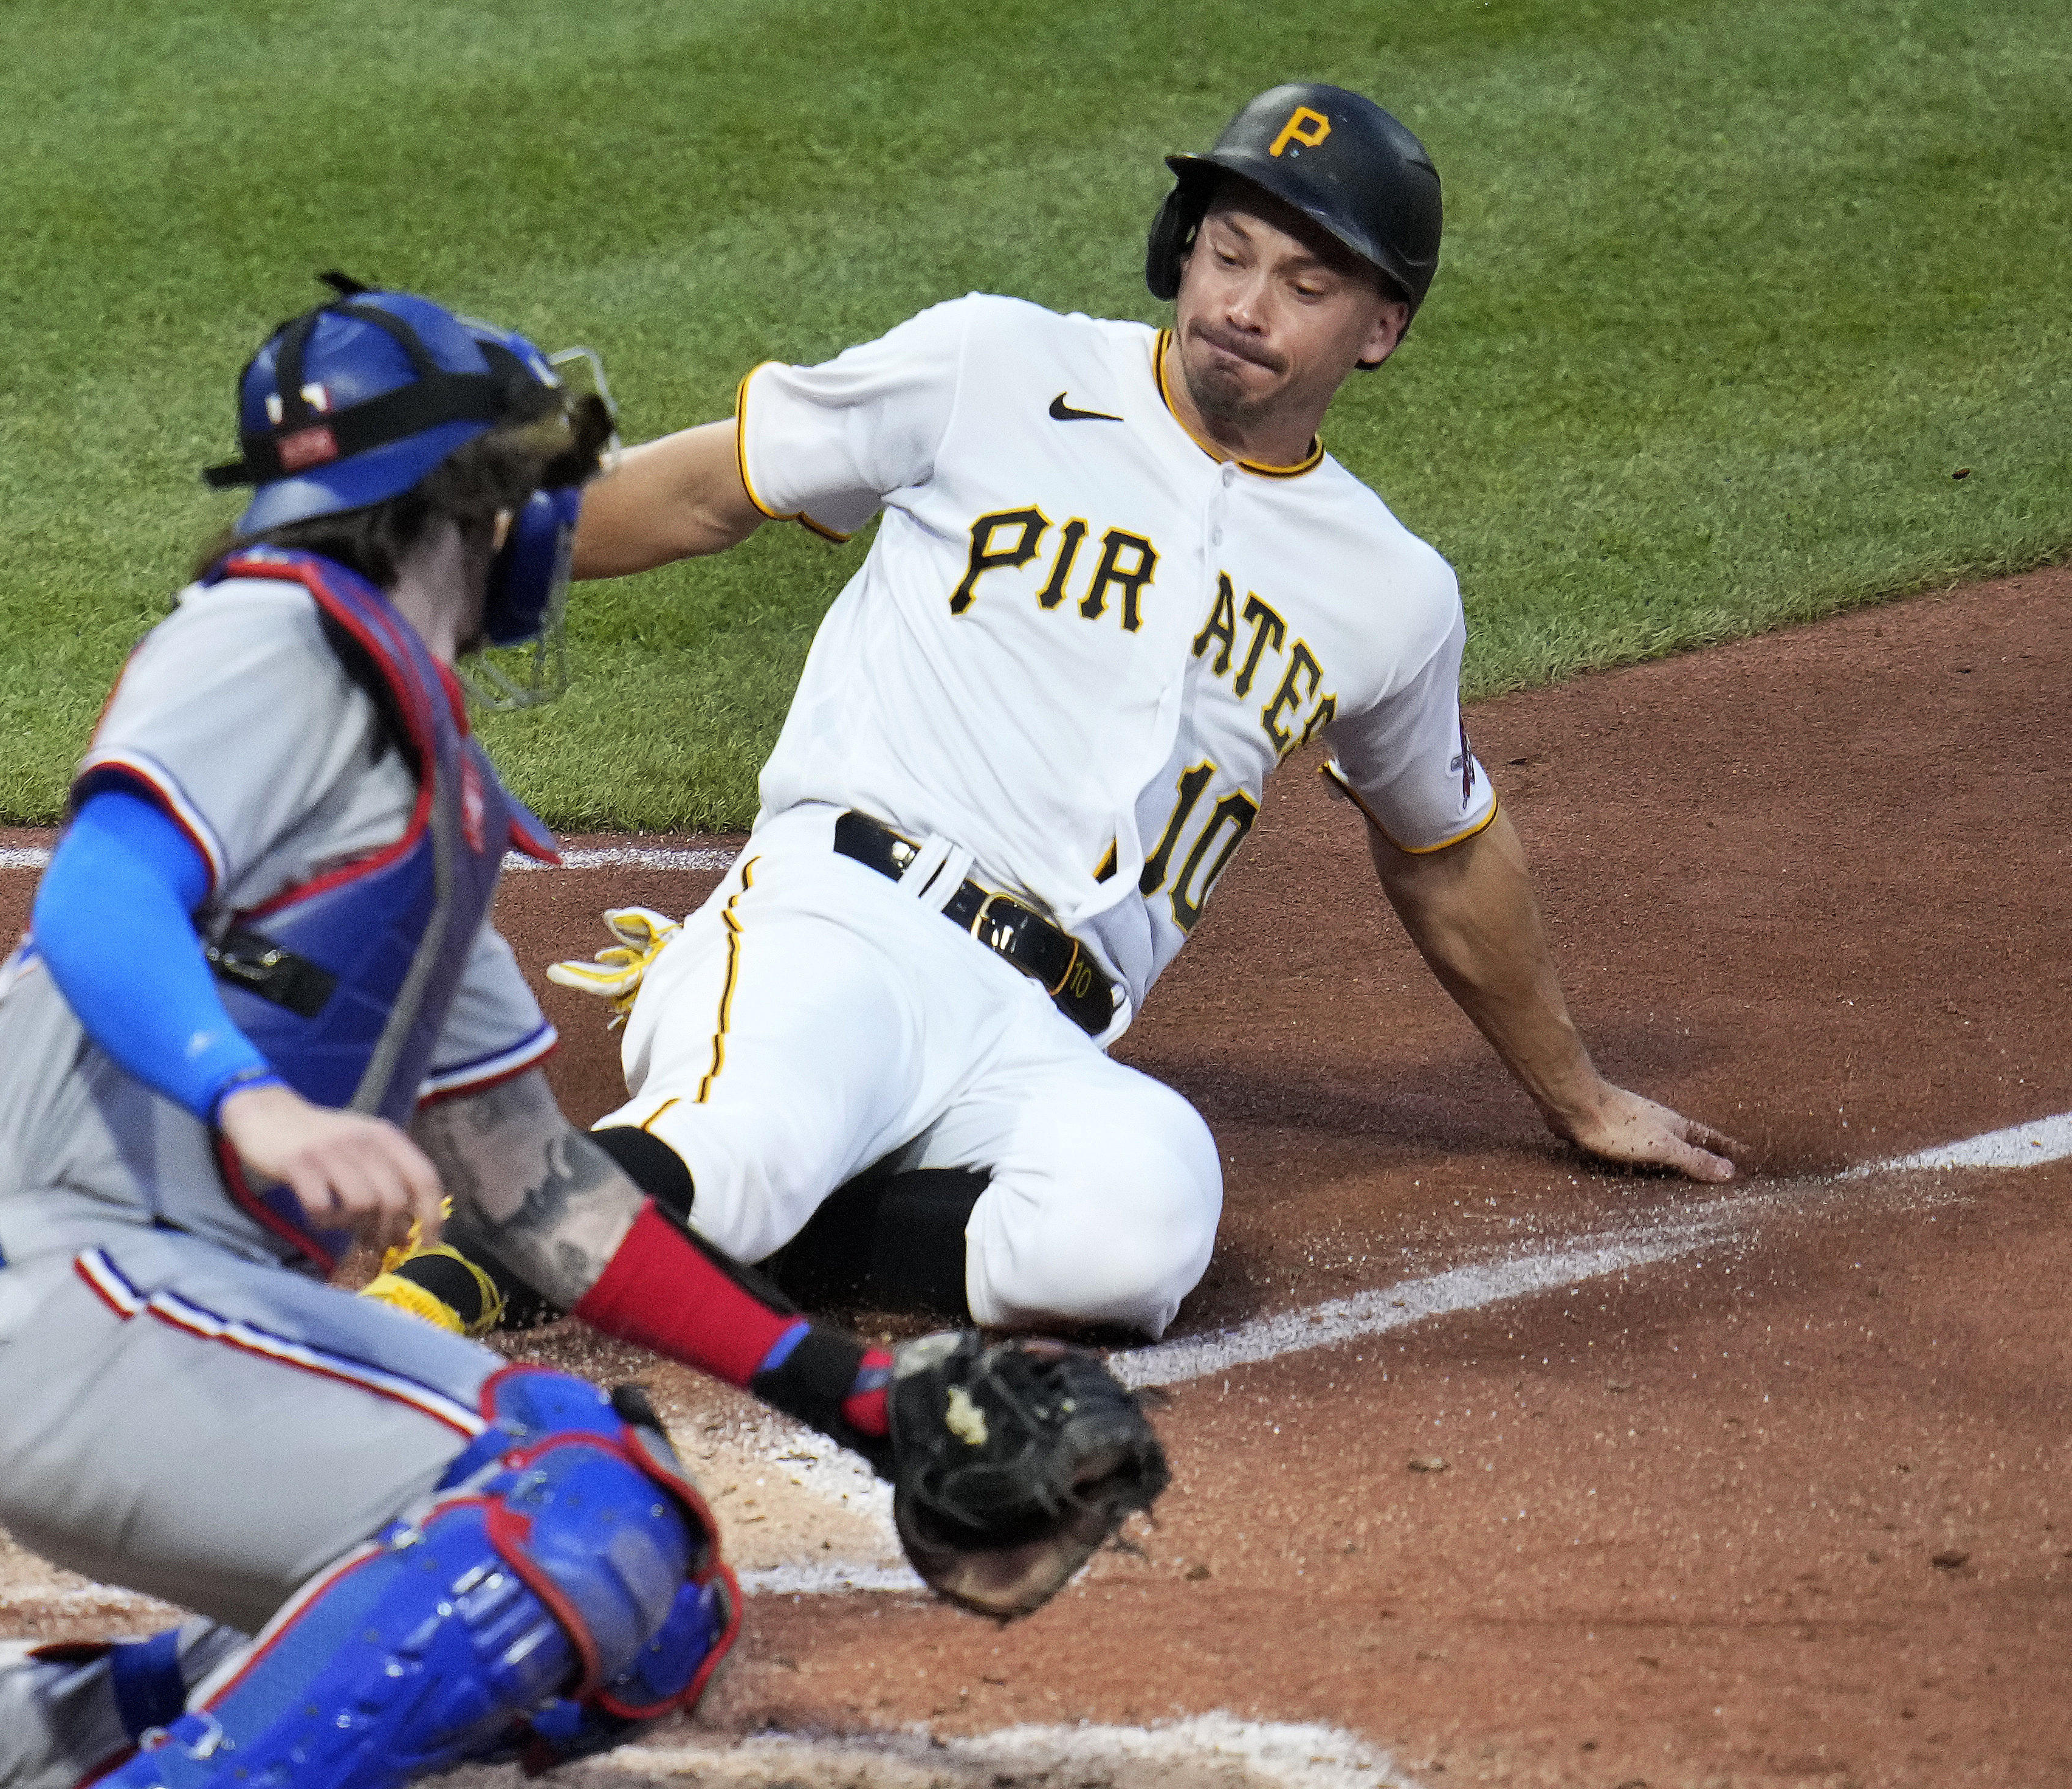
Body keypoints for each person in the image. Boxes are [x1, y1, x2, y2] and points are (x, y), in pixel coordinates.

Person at [373, 83, 1738, 1346]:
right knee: (740, 1139)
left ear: (1376, 330)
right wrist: (445, 568)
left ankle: (756, 1232)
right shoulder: (996, 364)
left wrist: (1577, 1094)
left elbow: (1441, 845)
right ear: (1178, 249)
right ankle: (402, 1313)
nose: (1244, 304)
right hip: (837, 923)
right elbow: (703, 489)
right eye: (1225, 252)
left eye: (1305, 283)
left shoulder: (1390, 590)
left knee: (1137, 1224)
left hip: (1041, 1030)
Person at [0, 283, 932, 1789]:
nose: (557, 503)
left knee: (652, 1599)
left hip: (183, 1323)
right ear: (456, 501)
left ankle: (43, 1730)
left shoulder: (423, 794)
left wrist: (842, 1386)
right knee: (574, 1506)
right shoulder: (274, 636)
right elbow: (103, 883)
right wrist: (250, 1104)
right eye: (528, 468)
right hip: (88, 1299)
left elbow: (542, 1193)